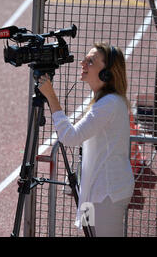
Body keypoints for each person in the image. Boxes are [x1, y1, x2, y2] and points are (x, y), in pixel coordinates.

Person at [37, 42, 135, 237]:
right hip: (93, 192)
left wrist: (51, 96)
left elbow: (70, 137)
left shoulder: (109, 103)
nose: (82, 63)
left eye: (90, 61)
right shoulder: (103, 101)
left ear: (107, 72)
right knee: (90, 233)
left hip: (107, 194)